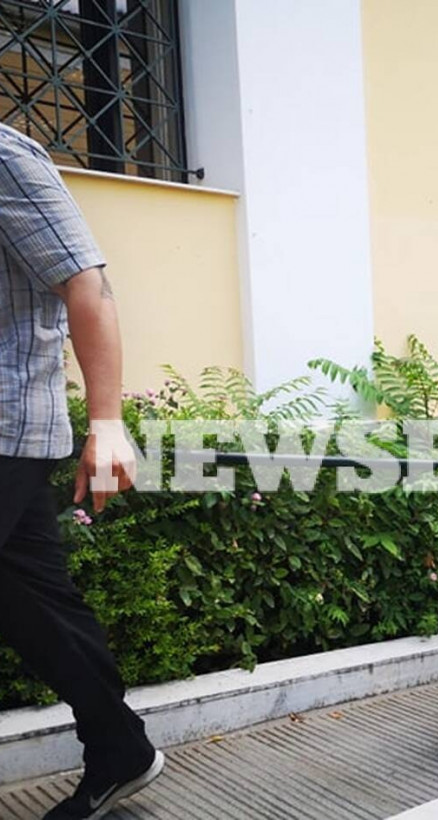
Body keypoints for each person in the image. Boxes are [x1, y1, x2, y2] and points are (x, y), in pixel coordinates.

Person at [0, 124, 164, 818]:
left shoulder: (4, 156)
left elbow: (87, 283)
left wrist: (107, 424)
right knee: (34, 608)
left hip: (6, 426)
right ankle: (119, 748)